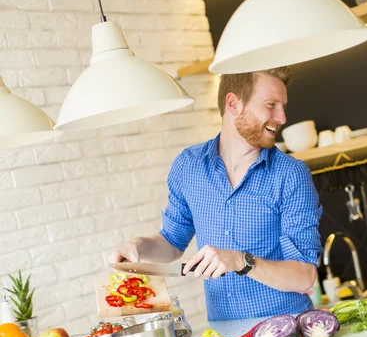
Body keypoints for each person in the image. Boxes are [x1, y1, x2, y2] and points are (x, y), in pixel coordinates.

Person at [108, 67, 323, 321]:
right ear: (233, 103)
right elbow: (171, 243)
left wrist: (241, 260)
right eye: (271, 105)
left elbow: (305, 275)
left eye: (283, 106)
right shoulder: (188, 166)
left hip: (288, 332)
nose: (283, 117)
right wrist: (138, 246)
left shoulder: (291, 175)